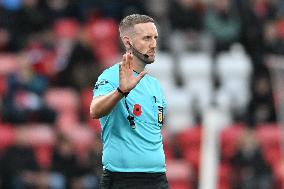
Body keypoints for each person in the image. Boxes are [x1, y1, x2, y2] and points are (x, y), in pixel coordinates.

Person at [90, 14, 168, 189]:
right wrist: (120, 92)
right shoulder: (111, 76)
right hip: (123, 180)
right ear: (128, 42)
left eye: (155, 37)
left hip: (157, 179)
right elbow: (95, 110)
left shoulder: (154, 85)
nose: (154, 44)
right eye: (146, 38)